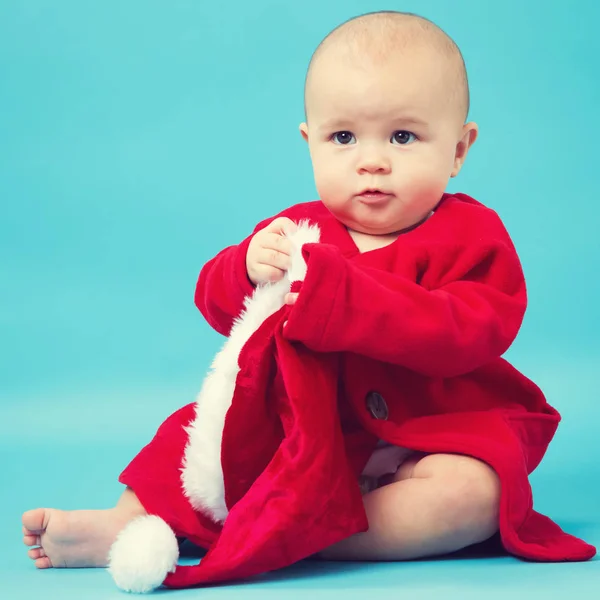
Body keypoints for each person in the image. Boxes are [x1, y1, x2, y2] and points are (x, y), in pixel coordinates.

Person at [22, 10, 595, 576]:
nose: (372, 160)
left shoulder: (472, 235)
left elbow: (470, 330)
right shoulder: (298, 230)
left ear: (458, 150)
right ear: (310, 142)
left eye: (403, 136)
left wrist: (350, 304)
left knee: (472, 493)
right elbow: (222, 308)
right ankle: (122, 521)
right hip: (309, 432)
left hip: (428, 429)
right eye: (343, 137)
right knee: (188, 437)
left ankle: (322, 537)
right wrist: (244, 269)